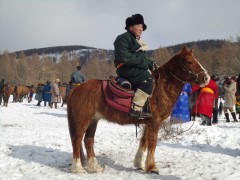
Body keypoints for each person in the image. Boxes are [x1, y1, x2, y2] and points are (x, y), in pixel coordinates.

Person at [113, 13, 155, 119]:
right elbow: (125, 57)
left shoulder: (139, 41)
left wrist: (152, 64)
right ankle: (135, 109)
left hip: (135, 68)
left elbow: (142, 59)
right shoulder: (122, 38)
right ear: (131, 27)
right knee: (148, 78)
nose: (141, 28)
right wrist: (145, 64)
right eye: (139, 25)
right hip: (125, 68)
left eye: (142, 26)